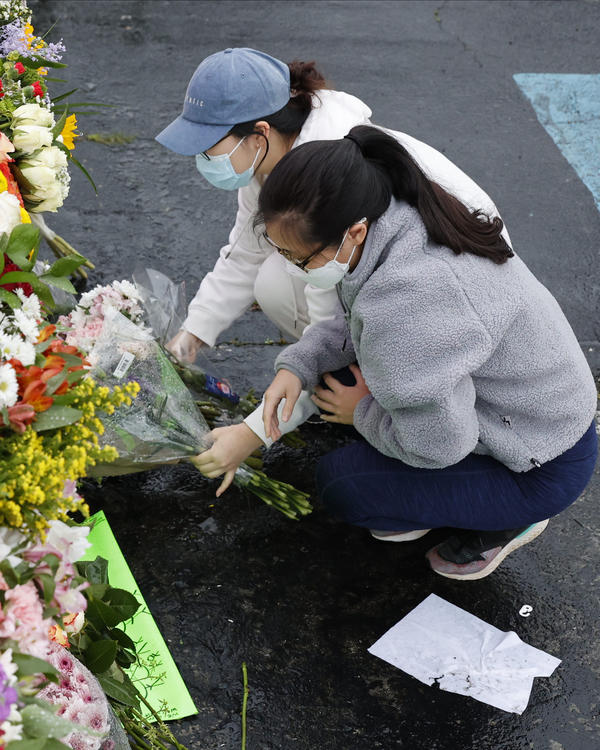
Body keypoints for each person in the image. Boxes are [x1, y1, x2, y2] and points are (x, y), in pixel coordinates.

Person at [195, 124, 597, 580]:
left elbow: (440, 444)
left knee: (343, 486)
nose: (294, 269)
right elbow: (356, 323)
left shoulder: (409, 307)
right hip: (542, 414)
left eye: (300, 259)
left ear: (354, 231)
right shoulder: (398, 218)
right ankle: (434, 496)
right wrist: (299, 366)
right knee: (352, 391)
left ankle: (505, 520)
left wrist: (362, 412)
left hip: (537, 463)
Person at [156, 48, 507, 456]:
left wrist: (256, 432)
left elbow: (330, 317)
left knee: (366, 496)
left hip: (456, 321)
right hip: (417, 297)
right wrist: (193, 333)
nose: (203, 160)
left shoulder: (326, 181)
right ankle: (355, 384)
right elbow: (244, 252)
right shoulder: (271, 161)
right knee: (273, 277)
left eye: (208, 147)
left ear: (259, 134)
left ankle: (371, 396)